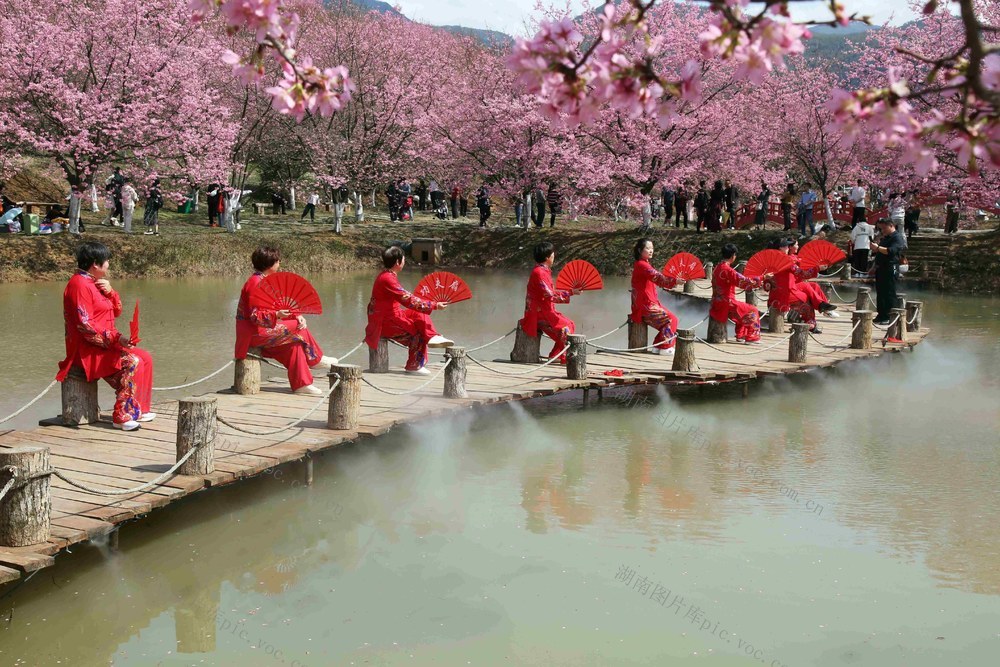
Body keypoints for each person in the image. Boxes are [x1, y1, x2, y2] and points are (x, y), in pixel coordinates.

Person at [56, 242, 155, 431]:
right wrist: (117, 339)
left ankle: (137, 409)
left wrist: (111, 292)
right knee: (132, 361)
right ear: (95, 263)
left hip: (104, 344)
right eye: (107, 260)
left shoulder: (95, 283)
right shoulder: (79, 285)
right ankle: (121, 416)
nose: (109, 264)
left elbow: (115, 312)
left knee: (146, 358)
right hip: (86, 349)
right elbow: (85, 326)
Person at [235, 247, 337, 396]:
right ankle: (315, 359)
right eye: (277, 261)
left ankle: (302, 385)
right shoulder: (255, 283)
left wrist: (297, 315)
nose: (279, 263)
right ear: (270, 264)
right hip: (254, 333)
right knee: (298, 328)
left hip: (266, 330)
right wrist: (278, 315)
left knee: (294, 344)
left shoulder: (267, 280)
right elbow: (255, 316)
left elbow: (281, 303)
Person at [365, 246, 454, 375]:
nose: (404, 261)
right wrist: (434, 305)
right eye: (403, 258)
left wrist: (431, 305)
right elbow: (408, 299)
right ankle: (414, 365)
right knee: (417, 333)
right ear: (398, 262)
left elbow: (408, 299)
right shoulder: (387, 279)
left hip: (391, 315)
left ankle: (432, 336)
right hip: (383, 322)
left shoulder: (387, 275)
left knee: (420, 315)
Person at [520, 242, 580, 364]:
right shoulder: (539, 273)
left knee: (570, 324)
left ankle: (556, 355)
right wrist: (570, 292)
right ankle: (558, 355)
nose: (554, 256)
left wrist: (570, 292)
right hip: (538, 313)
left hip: (545, 309)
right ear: (547, 257)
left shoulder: (543, 271)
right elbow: (549, 295)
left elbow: (549, 293)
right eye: (552, 254)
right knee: (566, 328)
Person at [630, 238, 682, 354]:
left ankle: (658, 346)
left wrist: (673, 281)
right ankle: (665, 347)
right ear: (640, 250)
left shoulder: (643, 264)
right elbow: (658, 277)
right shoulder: (642, 265)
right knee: (671, 319)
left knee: (668, 320)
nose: (651, 251)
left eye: (652, 248)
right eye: (647, 248)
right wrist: (674, 281)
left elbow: (657, 278)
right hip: (646, 305)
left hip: (646, 303)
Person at [710, 244, 765, 344]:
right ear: (733, 256)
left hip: (716, 302)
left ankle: (741, 335)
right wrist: (762, 277)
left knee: (742, 309)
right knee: (752, 310)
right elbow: (745, 281)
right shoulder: (728, 270)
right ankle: (751, 337)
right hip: (727, 302)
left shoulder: (717, 268)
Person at [870, 218, 905, 324]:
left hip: (891, 267)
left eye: (884, 228)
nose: (883, 231)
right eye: (881, 229)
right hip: (880, 267)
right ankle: (881, 315)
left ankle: (890, 316)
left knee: (889, 292)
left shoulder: (897, 237)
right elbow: (880, 253)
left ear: (891, 225)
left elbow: (891, 251)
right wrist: (873, 266)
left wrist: (878, 248)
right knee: (880, 292)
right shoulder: (885, 237)